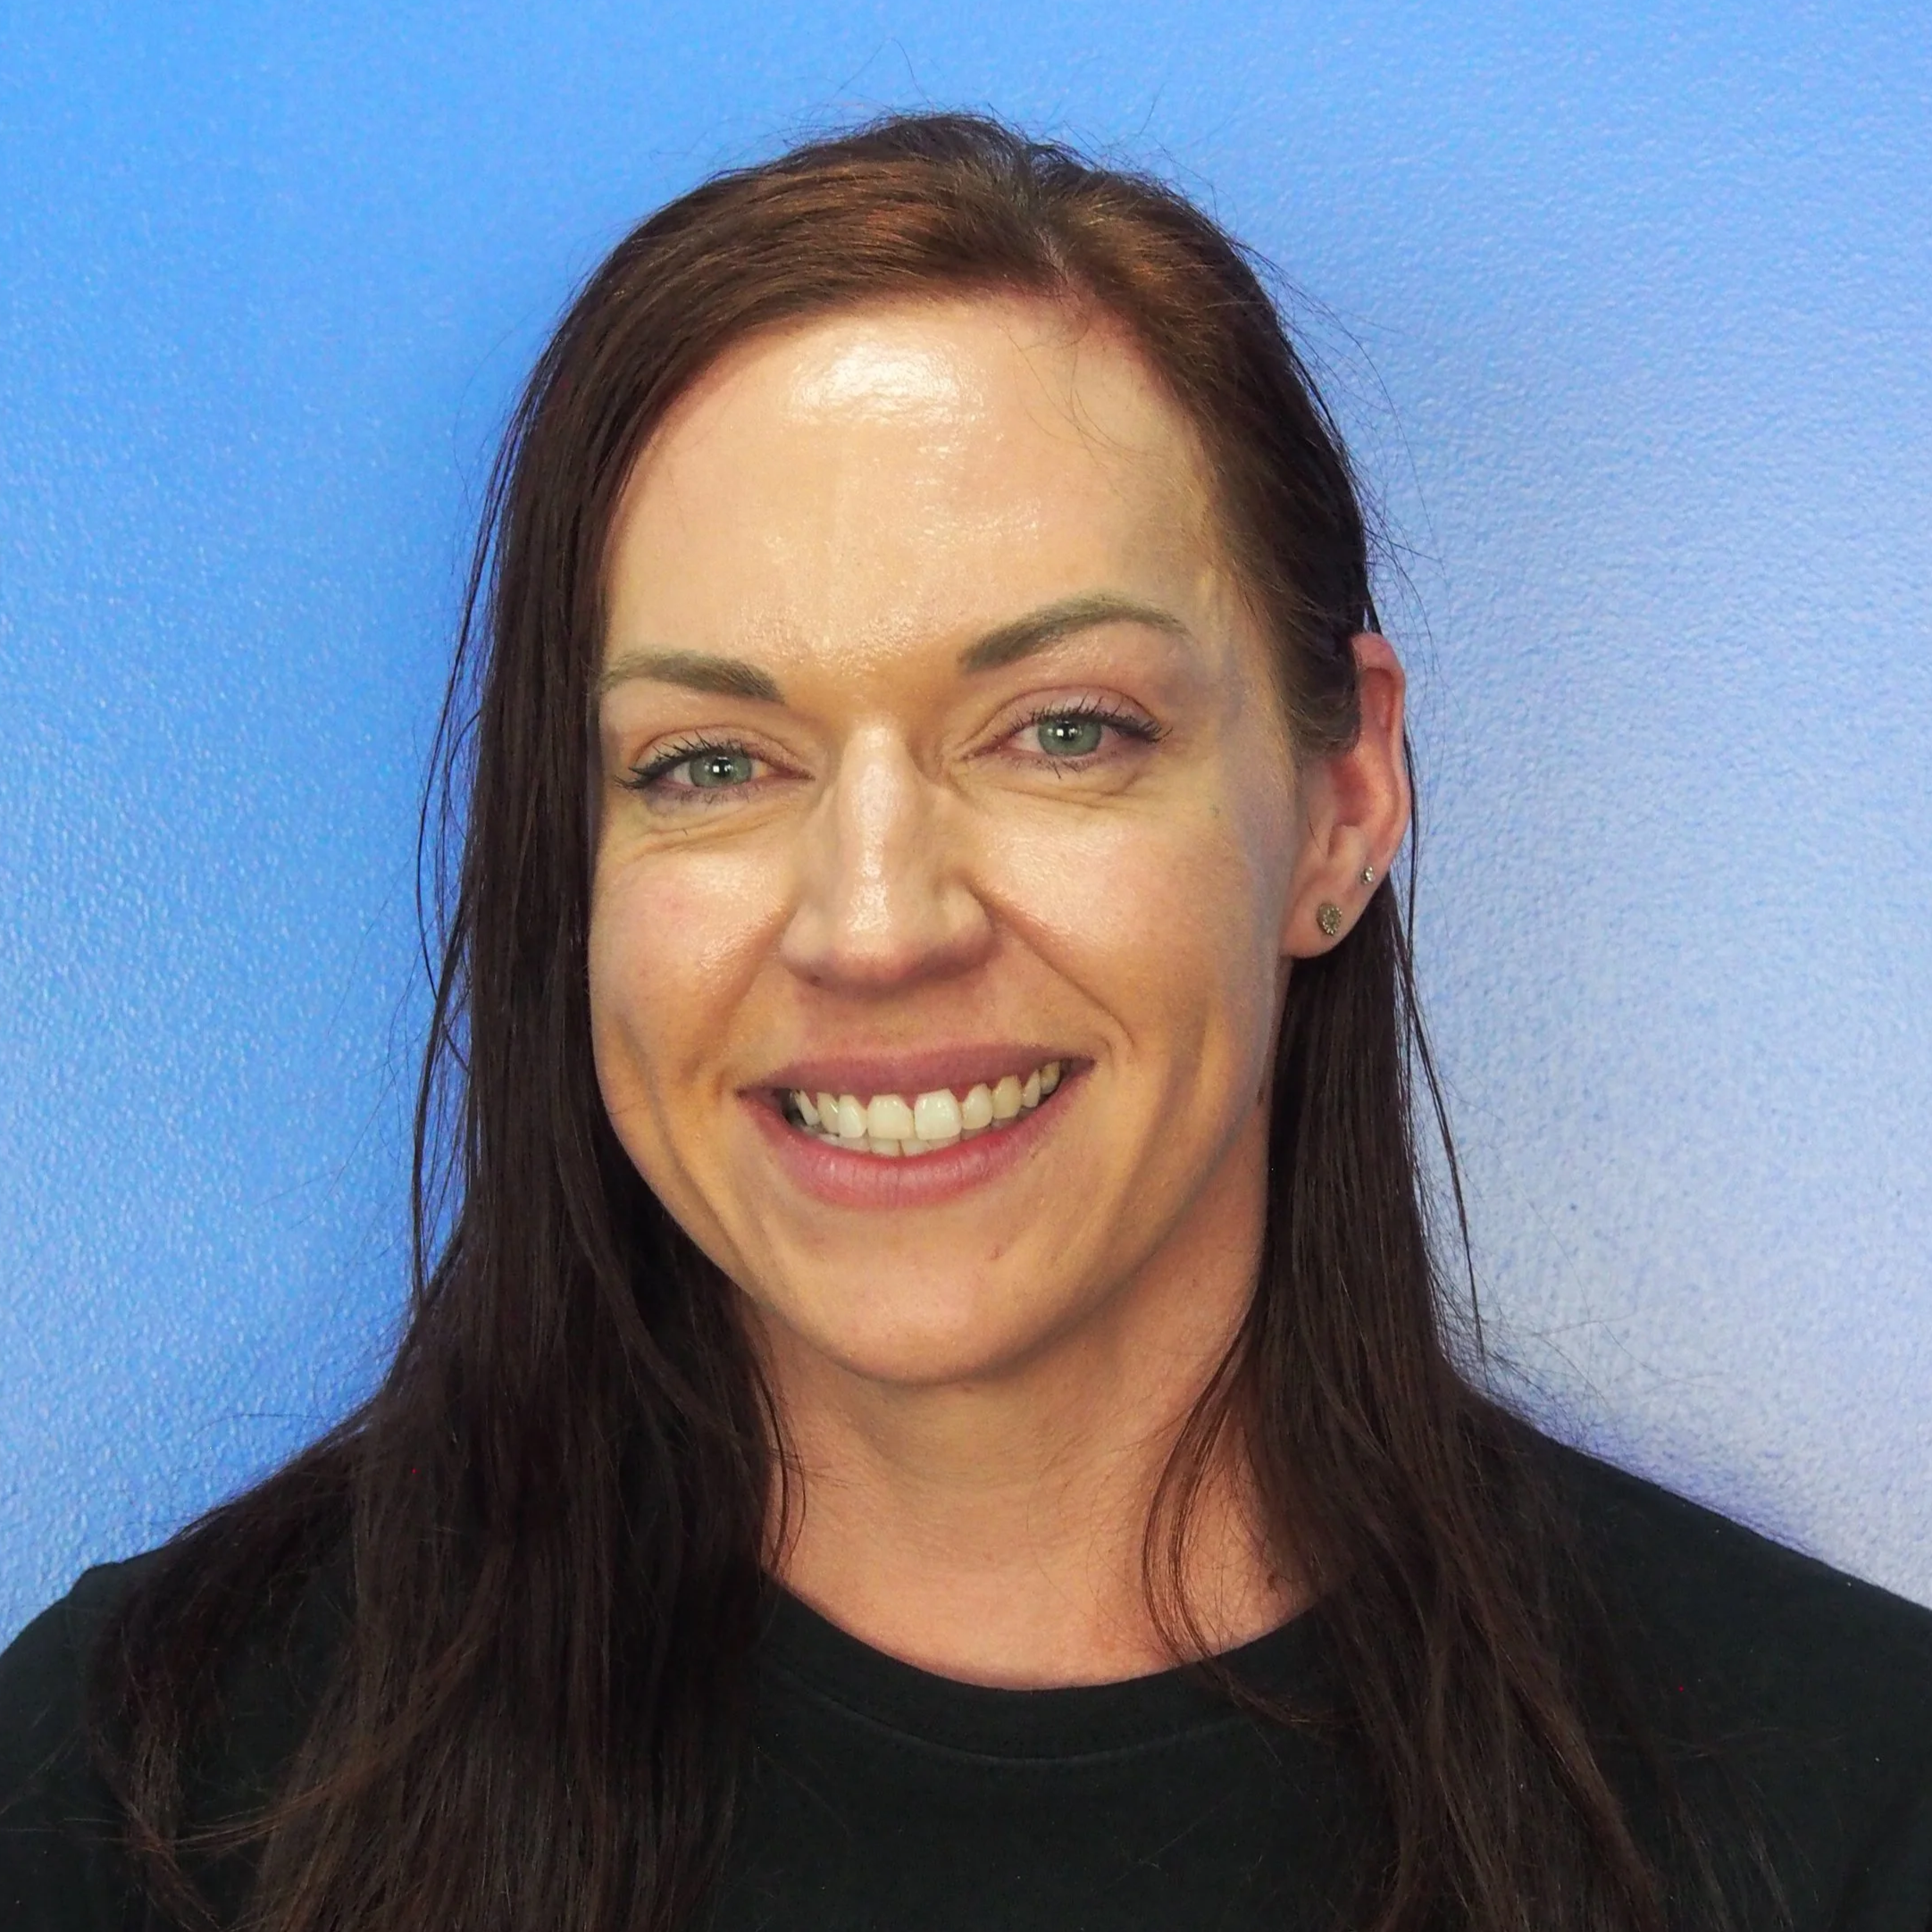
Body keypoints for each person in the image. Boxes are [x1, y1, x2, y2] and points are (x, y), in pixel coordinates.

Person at [3, 111, 1929, 1932]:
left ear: (1344, 804)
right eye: (706, 761)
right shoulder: (141, 1786)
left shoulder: (1852, 1806)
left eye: (1063, 730)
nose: (873, 924)